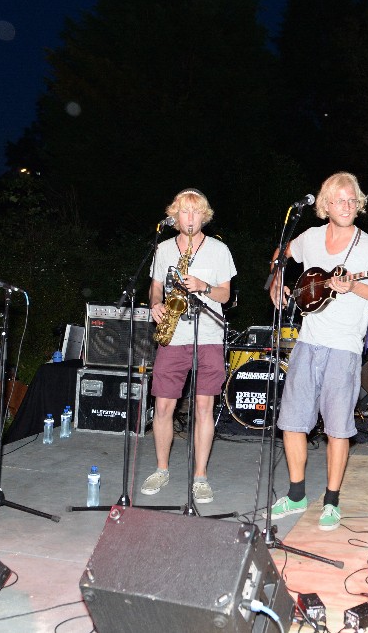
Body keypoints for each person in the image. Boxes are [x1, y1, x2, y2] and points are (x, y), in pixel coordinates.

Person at [269, 172, 368, 531]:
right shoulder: (310, 237)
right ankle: (296, 494)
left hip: (344, 347)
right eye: (340, 200)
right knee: (292, 421)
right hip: (308, 342)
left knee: (338, 429)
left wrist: (355, 285)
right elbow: (282, 254)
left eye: (353, 200)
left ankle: (331, 500)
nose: (347, 205)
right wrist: (277, 279)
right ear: (325, 205)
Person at [141, 188, 236, 504]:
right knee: (164, 406)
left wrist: (203, 286)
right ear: (175, 216)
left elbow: (226, 295)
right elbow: (155, 286)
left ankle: (200, 477)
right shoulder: (164, 248)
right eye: (184, 212)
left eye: (196, 212)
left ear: (204, 216)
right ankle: (162, 469)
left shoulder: (219, 250)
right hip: (173, 336)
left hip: (209, 335)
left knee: (204, 406)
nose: (190, 218)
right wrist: (155, 304)